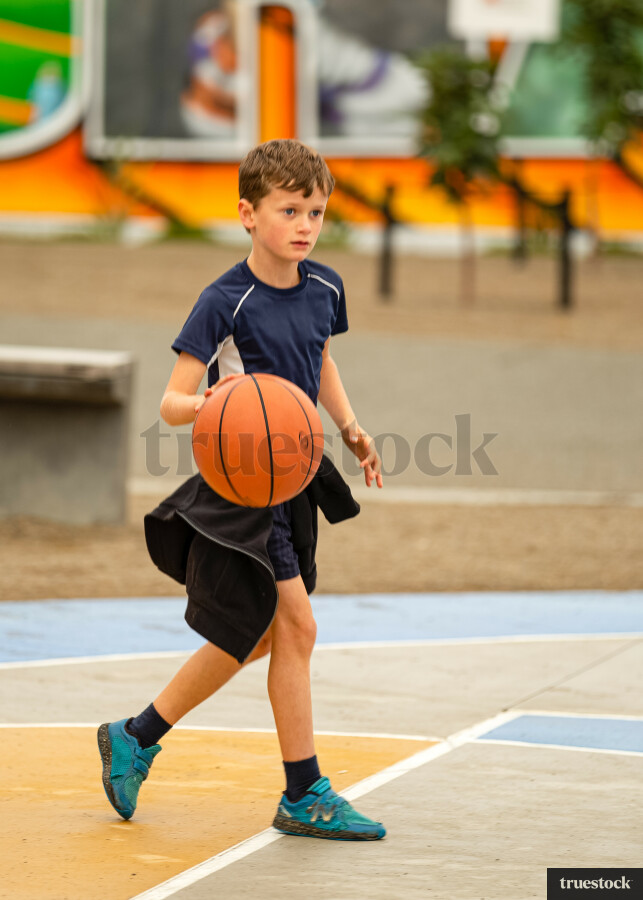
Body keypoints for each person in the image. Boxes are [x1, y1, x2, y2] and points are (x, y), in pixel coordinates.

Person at [98, 139, 385, 841]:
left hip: (296, 477)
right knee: (297, 627)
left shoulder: (323, 288)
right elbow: (171, 401)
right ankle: (302, 791)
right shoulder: (225, 301)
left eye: (314, 211)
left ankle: (136, 734)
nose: (304, 224)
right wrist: (220, 404)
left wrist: (348, 426)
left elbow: (320, 360)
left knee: (256, 633)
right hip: (243, 487)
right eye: (288, 209)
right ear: (246, 214)